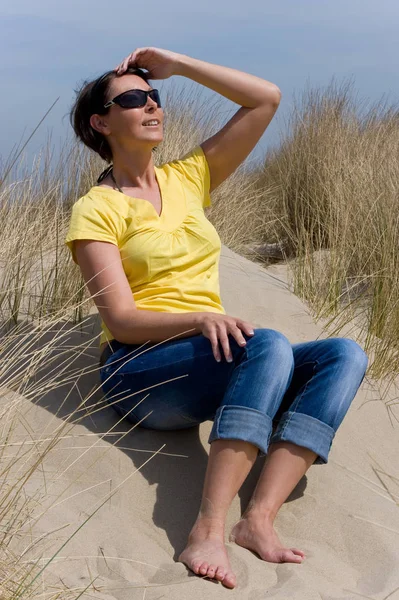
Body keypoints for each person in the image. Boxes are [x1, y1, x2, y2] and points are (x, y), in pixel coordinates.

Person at [65, 47, 368, 590]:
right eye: (133, 99)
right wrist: (198, 319)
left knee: (344, 355)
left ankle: (257, 521)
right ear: (101, 122)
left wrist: (177, 65)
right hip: (139, 372)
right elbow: (122, 318)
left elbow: (264, 99)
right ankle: (207, 528)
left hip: (218, 357)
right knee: (268, 343)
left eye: (155, 95)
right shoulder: (96, 208)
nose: (152, 105)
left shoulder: (188, 179)